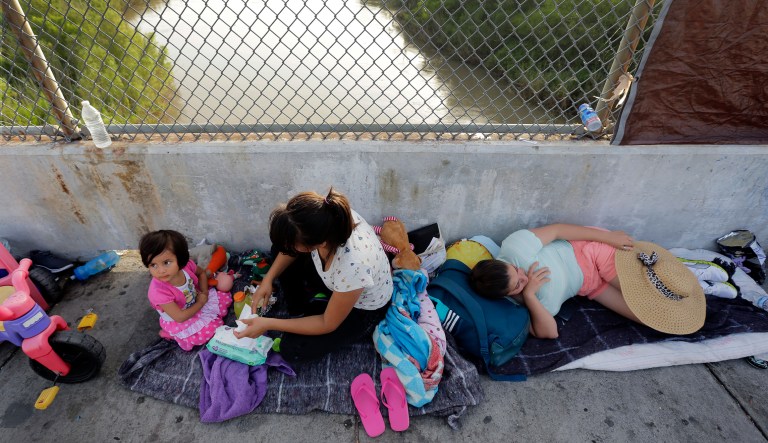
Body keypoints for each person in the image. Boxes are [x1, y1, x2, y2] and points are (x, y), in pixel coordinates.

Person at [234, 188, 393, 363]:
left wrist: (269, 323)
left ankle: (316, 308)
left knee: (293, 349)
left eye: (297, 246)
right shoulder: (325, 217)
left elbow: (327, 323)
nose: (291, 249)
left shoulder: (353, 265)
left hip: (362, 309)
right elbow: (290, 248)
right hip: (338, 280)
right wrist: (268, 279)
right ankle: (303, 308)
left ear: (319, 243)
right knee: (280, 250)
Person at [469, 224, 641, 339]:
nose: (524, 277)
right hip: (592, 287)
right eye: (517, 285)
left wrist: (608, 237)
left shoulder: (515, 248)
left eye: (515, 270)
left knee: (643, 296)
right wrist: (529, 295)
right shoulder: (513, 306)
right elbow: (550, 333)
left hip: (590, 252)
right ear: (505, 295)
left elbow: (558, 230)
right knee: (646, 316)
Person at [139, 230, 232, 351]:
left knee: (224, 299)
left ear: (181, 258)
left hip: (195, 301)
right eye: (153, 265)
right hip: (181, 318)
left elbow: (202, 274)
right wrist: (201, 302)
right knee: (210, 331)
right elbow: (180, 317)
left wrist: (204, 292)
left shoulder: (187, 266)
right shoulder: (158, 292)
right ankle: (172, 334)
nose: (160, 271)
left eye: (166, 262)